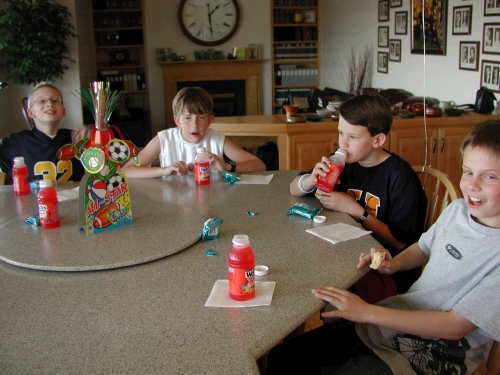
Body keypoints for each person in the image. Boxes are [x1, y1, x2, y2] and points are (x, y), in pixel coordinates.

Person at [268, 120, 500, 375]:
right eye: (468, 171)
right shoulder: (458, 211)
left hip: (435, 354)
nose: (471, 185)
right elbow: (422, 248)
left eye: (488, 176)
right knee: (281, 359)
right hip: (394, 322)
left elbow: (454, 327)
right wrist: (394, 264)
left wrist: (367, 311)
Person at [290, 94, 427, 295]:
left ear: (378, 140)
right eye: (340, 133)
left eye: (353, 137)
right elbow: (293, 188)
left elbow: (401, 242)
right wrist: (311, 179)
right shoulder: (343, 163)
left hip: (386, 268)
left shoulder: (400, 176)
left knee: (321, 289)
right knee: (301, 272)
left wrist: (355, 211)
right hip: (347, 254)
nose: (343, 144)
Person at [122, 87, 265, 178]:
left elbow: (259, 165)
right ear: (177, 121)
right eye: (187, 118)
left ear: (210, 120)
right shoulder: (164, 139)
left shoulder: (217, 139)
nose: (194, 125)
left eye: (201, 118)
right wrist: (163, 170)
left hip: (212, 202)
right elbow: (127, 170)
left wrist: (226, 166)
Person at [0, 82, 85, 184]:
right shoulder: (14, 142)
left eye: (55, 100)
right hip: (31, 200)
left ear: (63, 111)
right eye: (41, 101)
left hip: (73, 199)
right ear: (30, 112)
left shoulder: (77, 138)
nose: (49, 104)